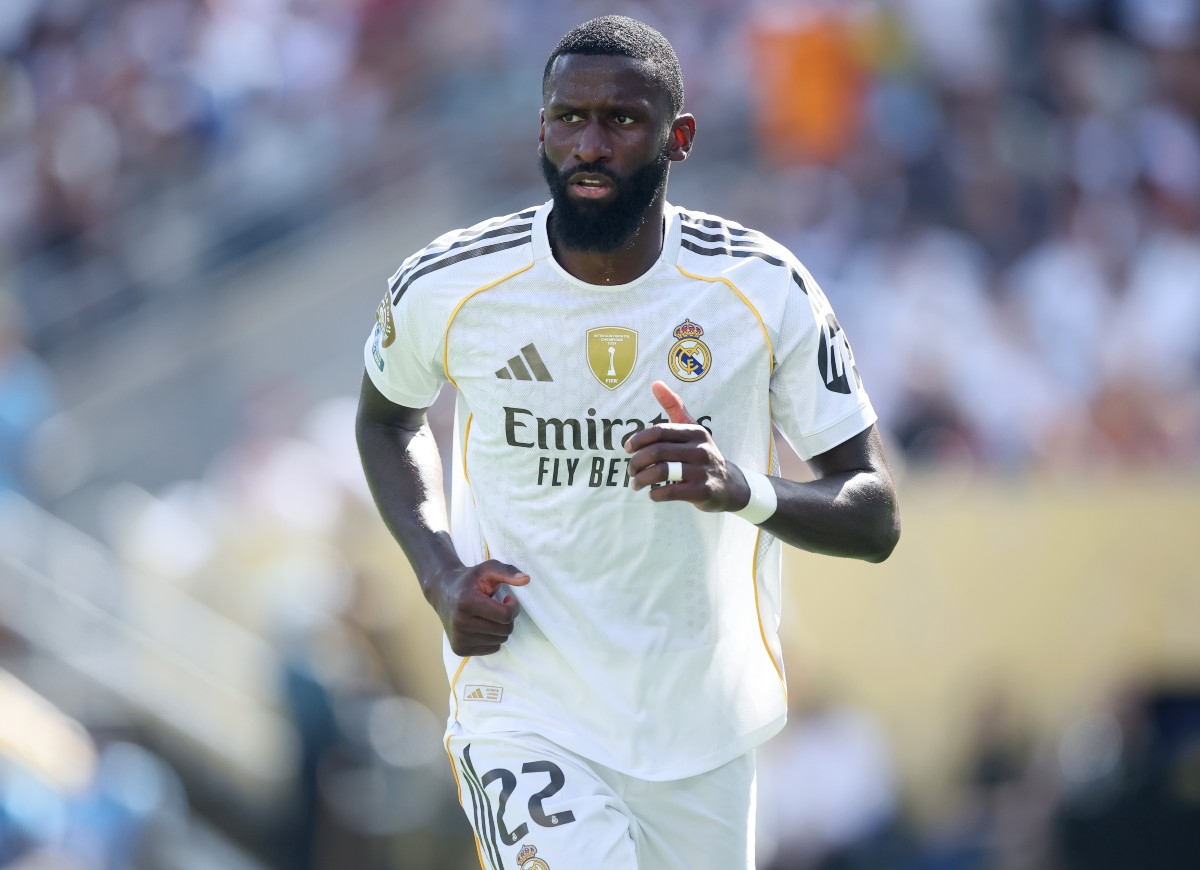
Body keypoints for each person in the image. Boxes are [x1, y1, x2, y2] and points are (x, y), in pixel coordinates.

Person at [356, 15, 900, 869]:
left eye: (622, 120)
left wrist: (740, 486)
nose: (590, 144)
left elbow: (874, 514)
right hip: (525, 703)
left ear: (677, 138)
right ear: (541, 129)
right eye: (569, 119)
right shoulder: (453, 283)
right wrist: (438, 570)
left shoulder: (762, 289)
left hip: (702, 725)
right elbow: (385, 417)